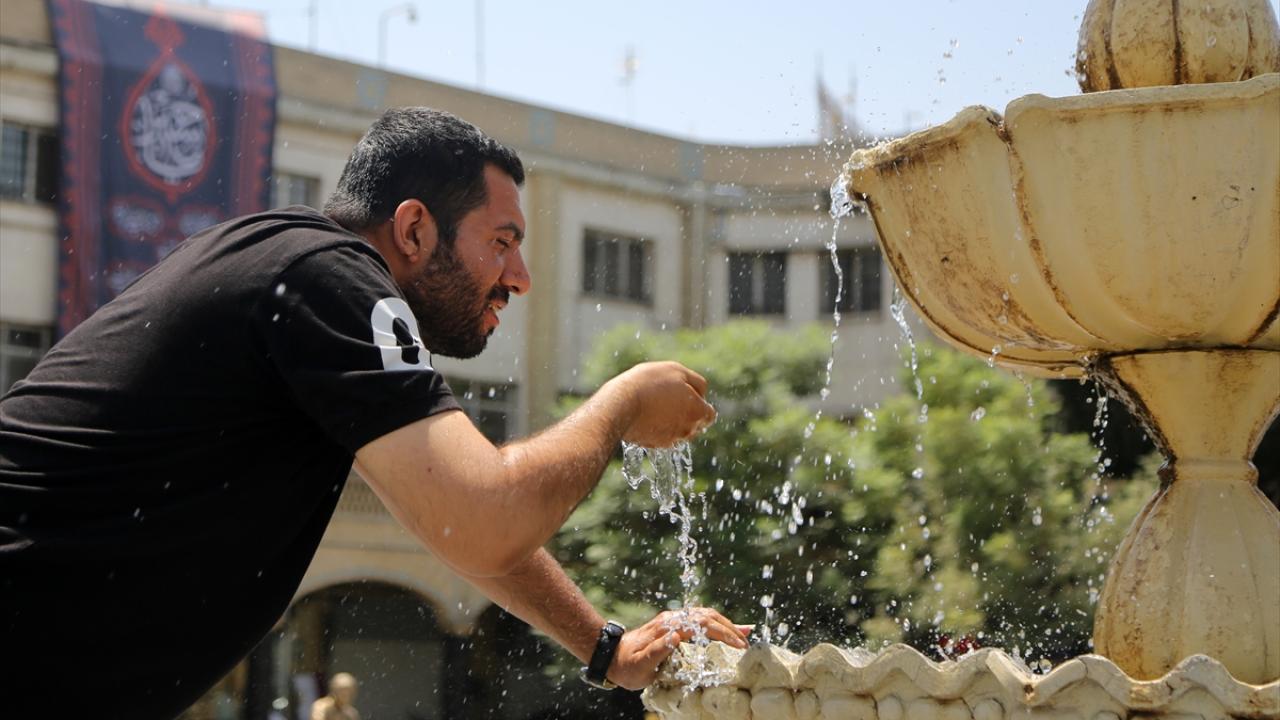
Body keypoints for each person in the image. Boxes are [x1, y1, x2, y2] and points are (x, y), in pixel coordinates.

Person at [0, 107, 748, 718]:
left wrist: (604, 649)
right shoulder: (330, 277)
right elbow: (484, 517)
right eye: (502, 242)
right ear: (416, 229)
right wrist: (617, 407)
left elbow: (452, 519)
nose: (518, 277)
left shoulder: (299, 276)